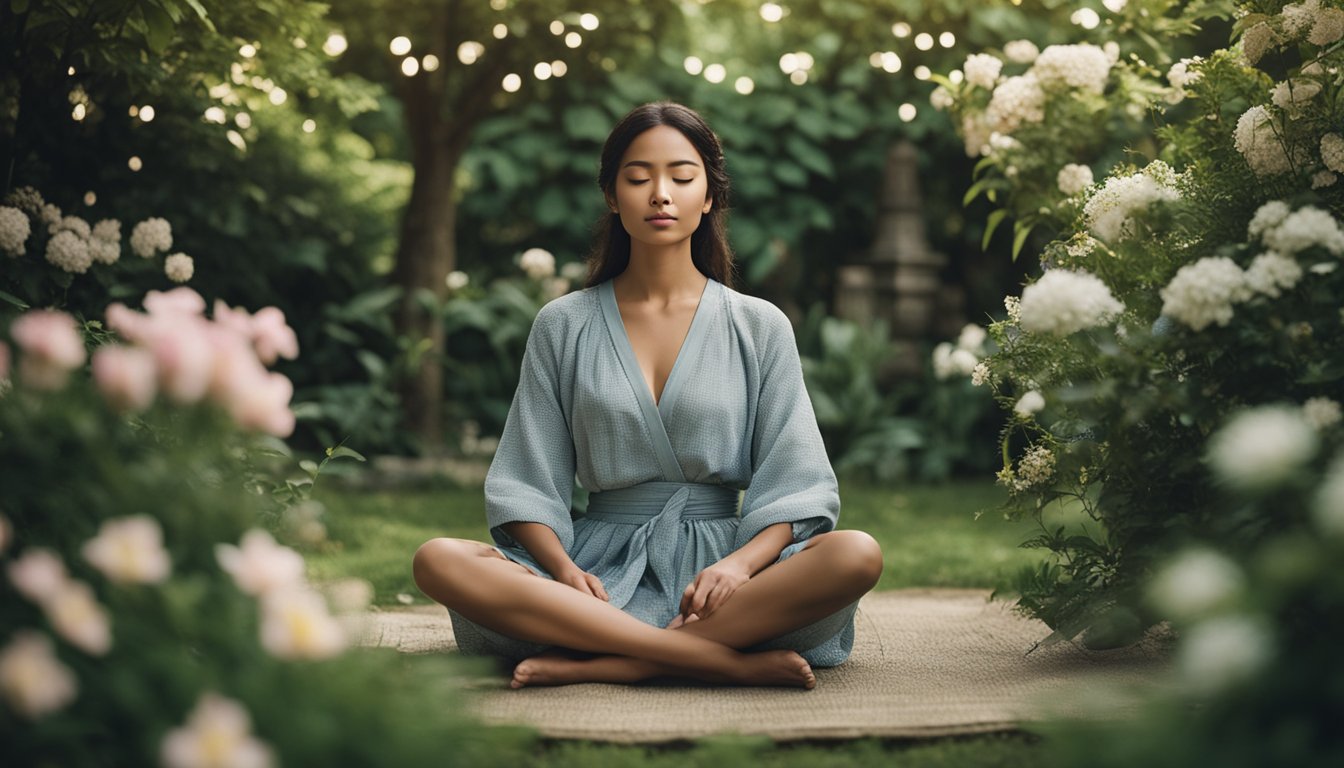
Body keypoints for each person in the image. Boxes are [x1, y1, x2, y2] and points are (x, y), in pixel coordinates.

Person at [412, 102, 882, 689]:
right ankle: (710, 659)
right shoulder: (563, 325)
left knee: (856, 552)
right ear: (612, 195)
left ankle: (616, 660)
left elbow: (800, 483)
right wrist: (562, 571)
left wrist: (738, 566)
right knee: (438, 559)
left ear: (709, 195)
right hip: (593, 578)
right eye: (638, 178)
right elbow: (525, 481)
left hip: (726, 583)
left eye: (682, 177)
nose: (661, 193)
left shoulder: (760, 325)